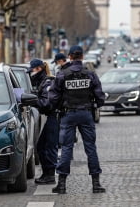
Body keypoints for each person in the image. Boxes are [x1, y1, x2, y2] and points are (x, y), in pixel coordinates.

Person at [48, 45, 106, 194]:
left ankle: (61, 184)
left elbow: (53, 96)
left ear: (69, 57)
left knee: (66, 148)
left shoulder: (62, 74)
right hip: (86, 113)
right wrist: (95, 105)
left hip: (68, 114)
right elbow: (100, 96)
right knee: (90, 147)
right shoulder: (90, 74)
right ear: (82, 56)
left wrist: (56, 107)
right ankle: (96, 183)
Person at [27, 59, 59, 185]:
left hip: (53, 117)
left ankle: (50, 175)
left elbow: (47, 103)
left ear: (39, 69)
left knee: (49, 147)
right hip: (50, 117)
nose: (31, 74)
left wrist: (35, 101)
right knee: (41, 146)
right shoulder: (43, 81)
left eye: (32, 71)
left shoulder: (47, 82)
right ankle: (46, 174)